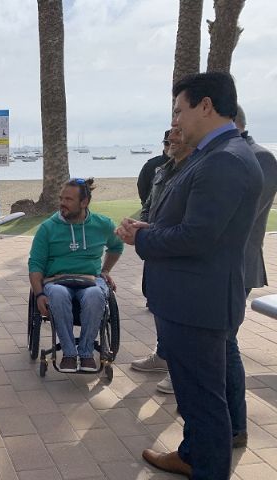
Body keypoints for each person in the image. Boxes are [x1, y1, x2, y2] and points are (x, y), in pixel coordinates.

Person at [117, 72, 263, 480]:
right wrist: (150, 230)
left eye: (179, 110)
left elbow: (199, 237)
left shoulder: (225, 160)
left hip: (197, 305)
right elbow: (197, 225)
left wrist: (142, 240)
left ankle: (208, 468)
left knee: (203, 400)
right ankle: (191, 454)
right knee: (195, 395)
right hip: (191, 300)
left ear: (206, 106)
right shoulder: (213, 155)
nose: (176, 121)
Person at [28, 178, 123, 372]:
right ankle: (69, 353)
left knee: (96, 295)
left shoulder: (103, 224)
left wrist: (105, 271)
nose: (62, 203)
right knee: (59, 294)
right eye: (61, 198)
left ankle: (86, 353)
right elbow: (35, 264)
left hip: (90, 280)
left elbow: (116, 245)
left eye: (69, 199)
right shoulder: (47, 228)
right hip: (57, 281)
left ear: (84, 202)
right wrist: (39, 294)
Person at [228, 104, 277, 448]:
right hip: (219, 266)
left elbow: (240, 217)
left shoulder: (259, 157)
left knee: (224, 345)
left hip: (236, 266)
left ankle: (235, 427)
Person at [131, 127, 193, 394]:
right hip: (156, 247)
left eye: (177, 137)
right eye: (168, 139)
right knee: (157, 303)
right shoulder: (159, 170)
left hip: (177, 253)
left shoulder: (195, 170)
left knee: (181, 314)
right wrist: (141, 226)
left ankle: (178, 371)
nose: (171, 142)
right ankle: (163, 355)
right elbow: (148, 203)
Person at [136, 130, 170, 205]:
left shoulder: (187, 164)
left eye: (174, 142)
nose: (170, 146)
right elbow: (142, 187)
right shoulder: (151, 165)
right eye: (167, 143)